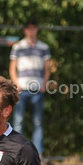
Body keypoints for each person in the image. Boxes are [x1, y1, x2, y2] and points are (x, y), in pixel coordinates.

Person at [8, 20, 52, 155]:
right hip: (22, 89)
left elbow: (47, 68)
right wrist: (16, 84)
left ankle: (38, 152)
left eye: (34, 28)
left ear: (37, 30)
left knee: (38, 122)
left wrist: (44, 84)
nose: (31, 31)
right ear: (25, 30)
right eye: (29, 29)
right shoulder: (18, 47)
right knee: (19, 120)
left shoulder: (44, 47)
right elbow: (12, 68)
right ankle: (17, 150)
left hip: (38, 89)